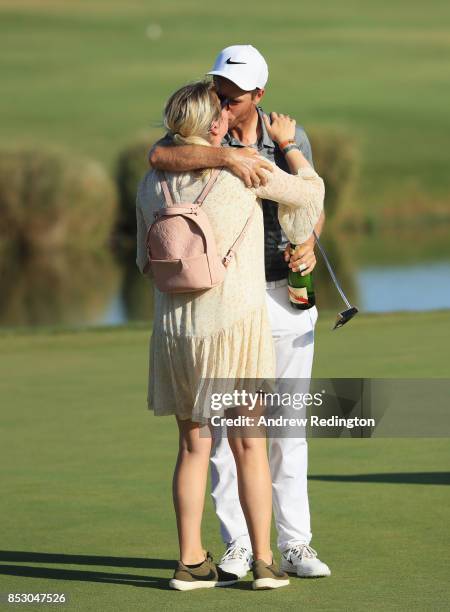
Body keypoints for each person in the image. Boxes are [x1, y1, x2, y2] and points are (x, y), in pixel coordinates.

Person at [149, 45, 331, 579]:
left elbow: (310, 207)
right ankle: (241, 547)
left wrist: (311, 244)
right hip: (233, 304)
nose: (224, 104)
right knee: (231, 437)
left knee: (284, 427)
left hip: (283, 291)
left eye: (233, 96)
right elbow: (159, 158)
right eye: (218, 93)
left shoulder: (289, 136)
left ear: (259, 94)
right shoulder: (199, 135)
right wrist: (230, 156)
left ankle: (294, 544)